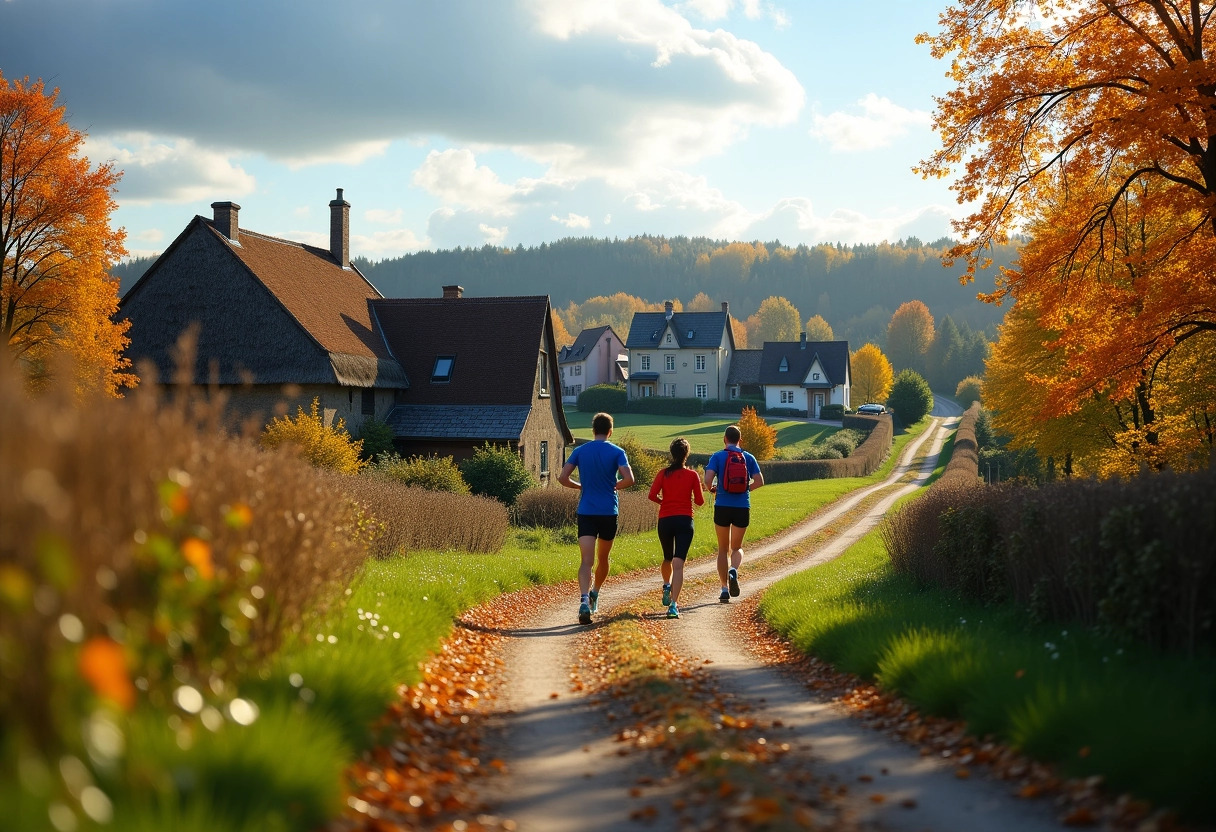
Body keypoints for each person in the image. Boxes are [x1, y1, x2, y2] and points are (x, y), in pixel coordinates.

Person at [557, 412, 635, 625]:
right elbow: (629, 479)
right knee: (603, 559)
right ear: (610, 431)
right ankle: (595, 593)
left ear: (593, 430)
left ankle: (583, 600)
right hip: (609, 512)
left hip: (587, 512)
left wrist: (579, 486)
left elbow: (562, 478)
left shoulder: (580, 451)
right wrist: (615, 485)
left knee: (586, 561)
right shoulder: (618, 452)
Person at [703, 424, 763, 603]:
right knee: (736, 548)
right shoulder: (748, 457)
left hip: (722, 505)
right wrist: (745, 489)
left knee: (722, 549)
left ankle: (723, 589)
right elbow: (759, 481)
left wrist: (713, 489)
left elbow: (707, 480)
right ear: (740, 440)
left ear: (724, 439)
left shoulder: (718, 456)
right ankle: (734, 570)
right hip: (742, 506)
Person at [647, 437, 705, 619]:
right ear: (687, 454)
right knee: (678, 564)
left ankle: (666, 584)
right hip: (684, 521)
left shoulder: (663, 473)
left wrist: (663, 501)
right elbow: (700, 502)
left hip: (665, 520)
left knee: (667, 558)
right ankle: (673, 605)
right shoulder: (693, 475)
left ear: (672, 453)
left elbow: (652, 495)